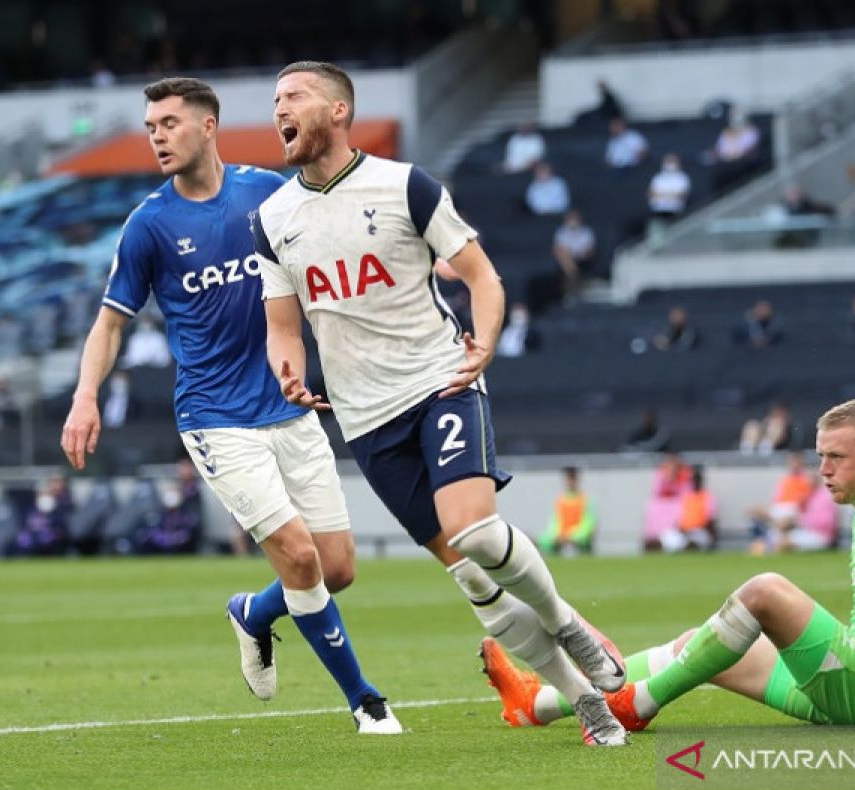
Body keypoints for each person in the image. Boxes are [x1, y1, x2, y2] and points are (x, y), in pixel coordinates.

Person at [255, 61, 628, 746]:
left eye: (296, 95)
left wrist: (483, 344)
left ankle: (566, 622)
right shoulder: (273, 218)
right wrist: (289, 370)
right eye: (275, 100)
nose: (281, 108)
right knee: (471, 580)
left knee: (477, 533)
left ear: (339, 111)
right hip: (365, 420)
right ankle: (583, 700)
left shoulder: (405, 185)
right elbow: (284, 324)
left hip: (440, 381)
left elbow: (484, 277)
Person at [59, 76, 399, 734]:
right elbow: (110, 322)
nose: (157, 135)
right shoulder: (149, 225)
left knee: (336, 569)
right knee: (300, 559)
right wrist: (85, 395)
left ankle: (254, 613)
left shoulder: (266, 192)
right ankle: (365, 701)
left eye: (169, 123)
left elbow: (336, 241)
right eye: (150, 126)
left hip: (288, 404)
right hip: (215, 417)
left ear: (207, 127)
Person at [482, 400, 855, 730]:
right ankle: (541, 704)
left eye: (835, 457)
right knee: (699, 644)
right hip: (854, 682)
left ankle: (637, 705)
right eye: (819, 455)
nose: (822, 469)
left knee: (766, 590)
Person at [655, 467, 717, 553]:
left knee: (699, 538)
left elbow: (710, 521)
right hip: (683, 532)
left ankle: (689, 546)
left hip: (699, 531)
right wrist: (681, 529)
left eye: (697, 480)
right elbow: (679, 519)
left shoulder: (707, 497)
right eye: (693, 480)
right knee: (667, 535)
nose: (695, 483)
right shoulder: (686, 497)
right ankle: (682, 547)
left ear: (701, 481)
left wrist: (693, 529)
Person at [538, 467, 596, 556]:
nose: (570, 481)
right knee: (543, 540)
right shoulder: (560, 501)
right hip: (561, 537)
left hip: (578, 539)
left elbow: (588, 525)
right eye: (569, 478)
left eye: (573, 478)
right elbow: (555, 523)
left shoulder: (585, 500)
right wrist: (557, 536)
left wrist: (571, 536)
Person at [641, 452, 692, 551]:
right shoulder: (660, 475)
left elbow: (687, 497)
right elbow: (656, 491)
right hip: (661, 508)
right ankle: (654, 540)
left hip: (677, 507)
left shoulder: (685, 477)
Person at [551, 209, 595, 299]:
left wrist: (578, 253)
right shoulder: (562, 232)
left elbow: (589, 250)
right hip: (566, 257)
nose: (573, 222)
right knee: (564, 257)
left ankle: (572, 280)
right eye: (570, 219)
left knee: (566, 259)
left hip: (582, 257)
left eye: (575, 219)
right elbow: (557, 249)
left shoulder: (586, 232)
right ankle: (575, 277)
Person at [647, 154, 690, 219]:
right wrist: (670, 194)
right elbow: (651, 193)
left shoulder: (682, 177)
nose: (669, 165)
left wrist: (661, 194)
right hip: (658, 210)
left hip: (675, 210)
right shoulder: (658, 177)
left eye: (672, 162)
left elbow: (682, 194)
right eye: (668, 162)